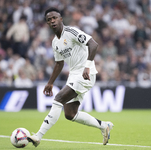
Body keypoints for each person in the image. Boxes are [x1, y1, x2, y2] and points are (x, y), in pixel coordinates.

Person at [27, 7, 113, 147]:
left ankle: (38, 136)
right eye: (49, 20)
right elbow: (59, 64)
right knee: (70, 114)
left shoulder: (71, 32)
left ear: (61, 19)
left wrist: (87, 66)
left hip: (85, 73)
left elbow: (93, 44)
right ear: (47, 24)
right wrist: (50, 82)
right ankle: (104, 126)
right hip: (74, 75)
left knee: (58, 98)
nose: (52, 21)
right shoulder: (55, 42)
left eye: (54, 18)